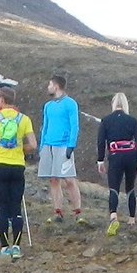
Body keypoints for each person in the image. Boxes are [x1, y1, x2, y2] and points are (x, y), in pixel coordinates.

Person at [0, 84, 32, 259]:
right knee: (16, 208)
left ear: (2, 100)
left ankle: (4, 248)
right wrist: (19, 149)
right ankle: (17, 247)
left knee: (2, 209)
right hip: (17, 167)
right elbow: (33, 145)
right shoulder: (24, 119)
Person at [38, 76, 83, 229]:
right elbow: (45, 126)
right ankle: (58, 212)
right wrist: (42, 145)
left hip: (63, 145)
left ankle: (77, 212)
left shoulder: (70, 104)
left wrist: (71, 145)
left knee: (69, 179)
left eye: (50, 84)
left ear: (56, 86)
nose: (48, 87)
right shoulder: (48, 106)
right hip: (49, 145)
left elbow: (74, 125)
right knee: (54, 179)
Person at [95, 91, 137, 235]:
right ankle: (132, 218)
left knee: (114, 187)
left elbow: (100, 141)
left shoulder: (106, 120)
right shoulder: (132, 120)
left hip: (115, 156)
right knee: (130, 187)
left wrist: (100, 160)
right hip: (131, 156)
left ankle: (114, 216)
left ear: (113, 104)